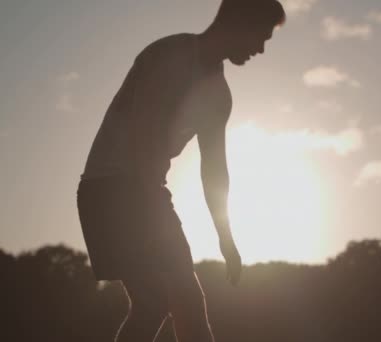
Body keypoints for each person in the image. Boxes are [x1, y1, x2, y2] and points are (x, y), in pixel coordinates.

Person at [76, 1, 285, 341]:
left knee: (184, 302)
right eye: (260, 37)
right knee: (154, 301)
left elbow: (214, 170)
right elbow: (142, 134)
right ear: (240, 23)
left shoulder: (220, 96)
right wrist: (152, 213)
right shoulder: (169, 55)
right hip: (109, 190)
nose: (260, 49)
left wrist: (226, 237)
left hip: (147, 193)